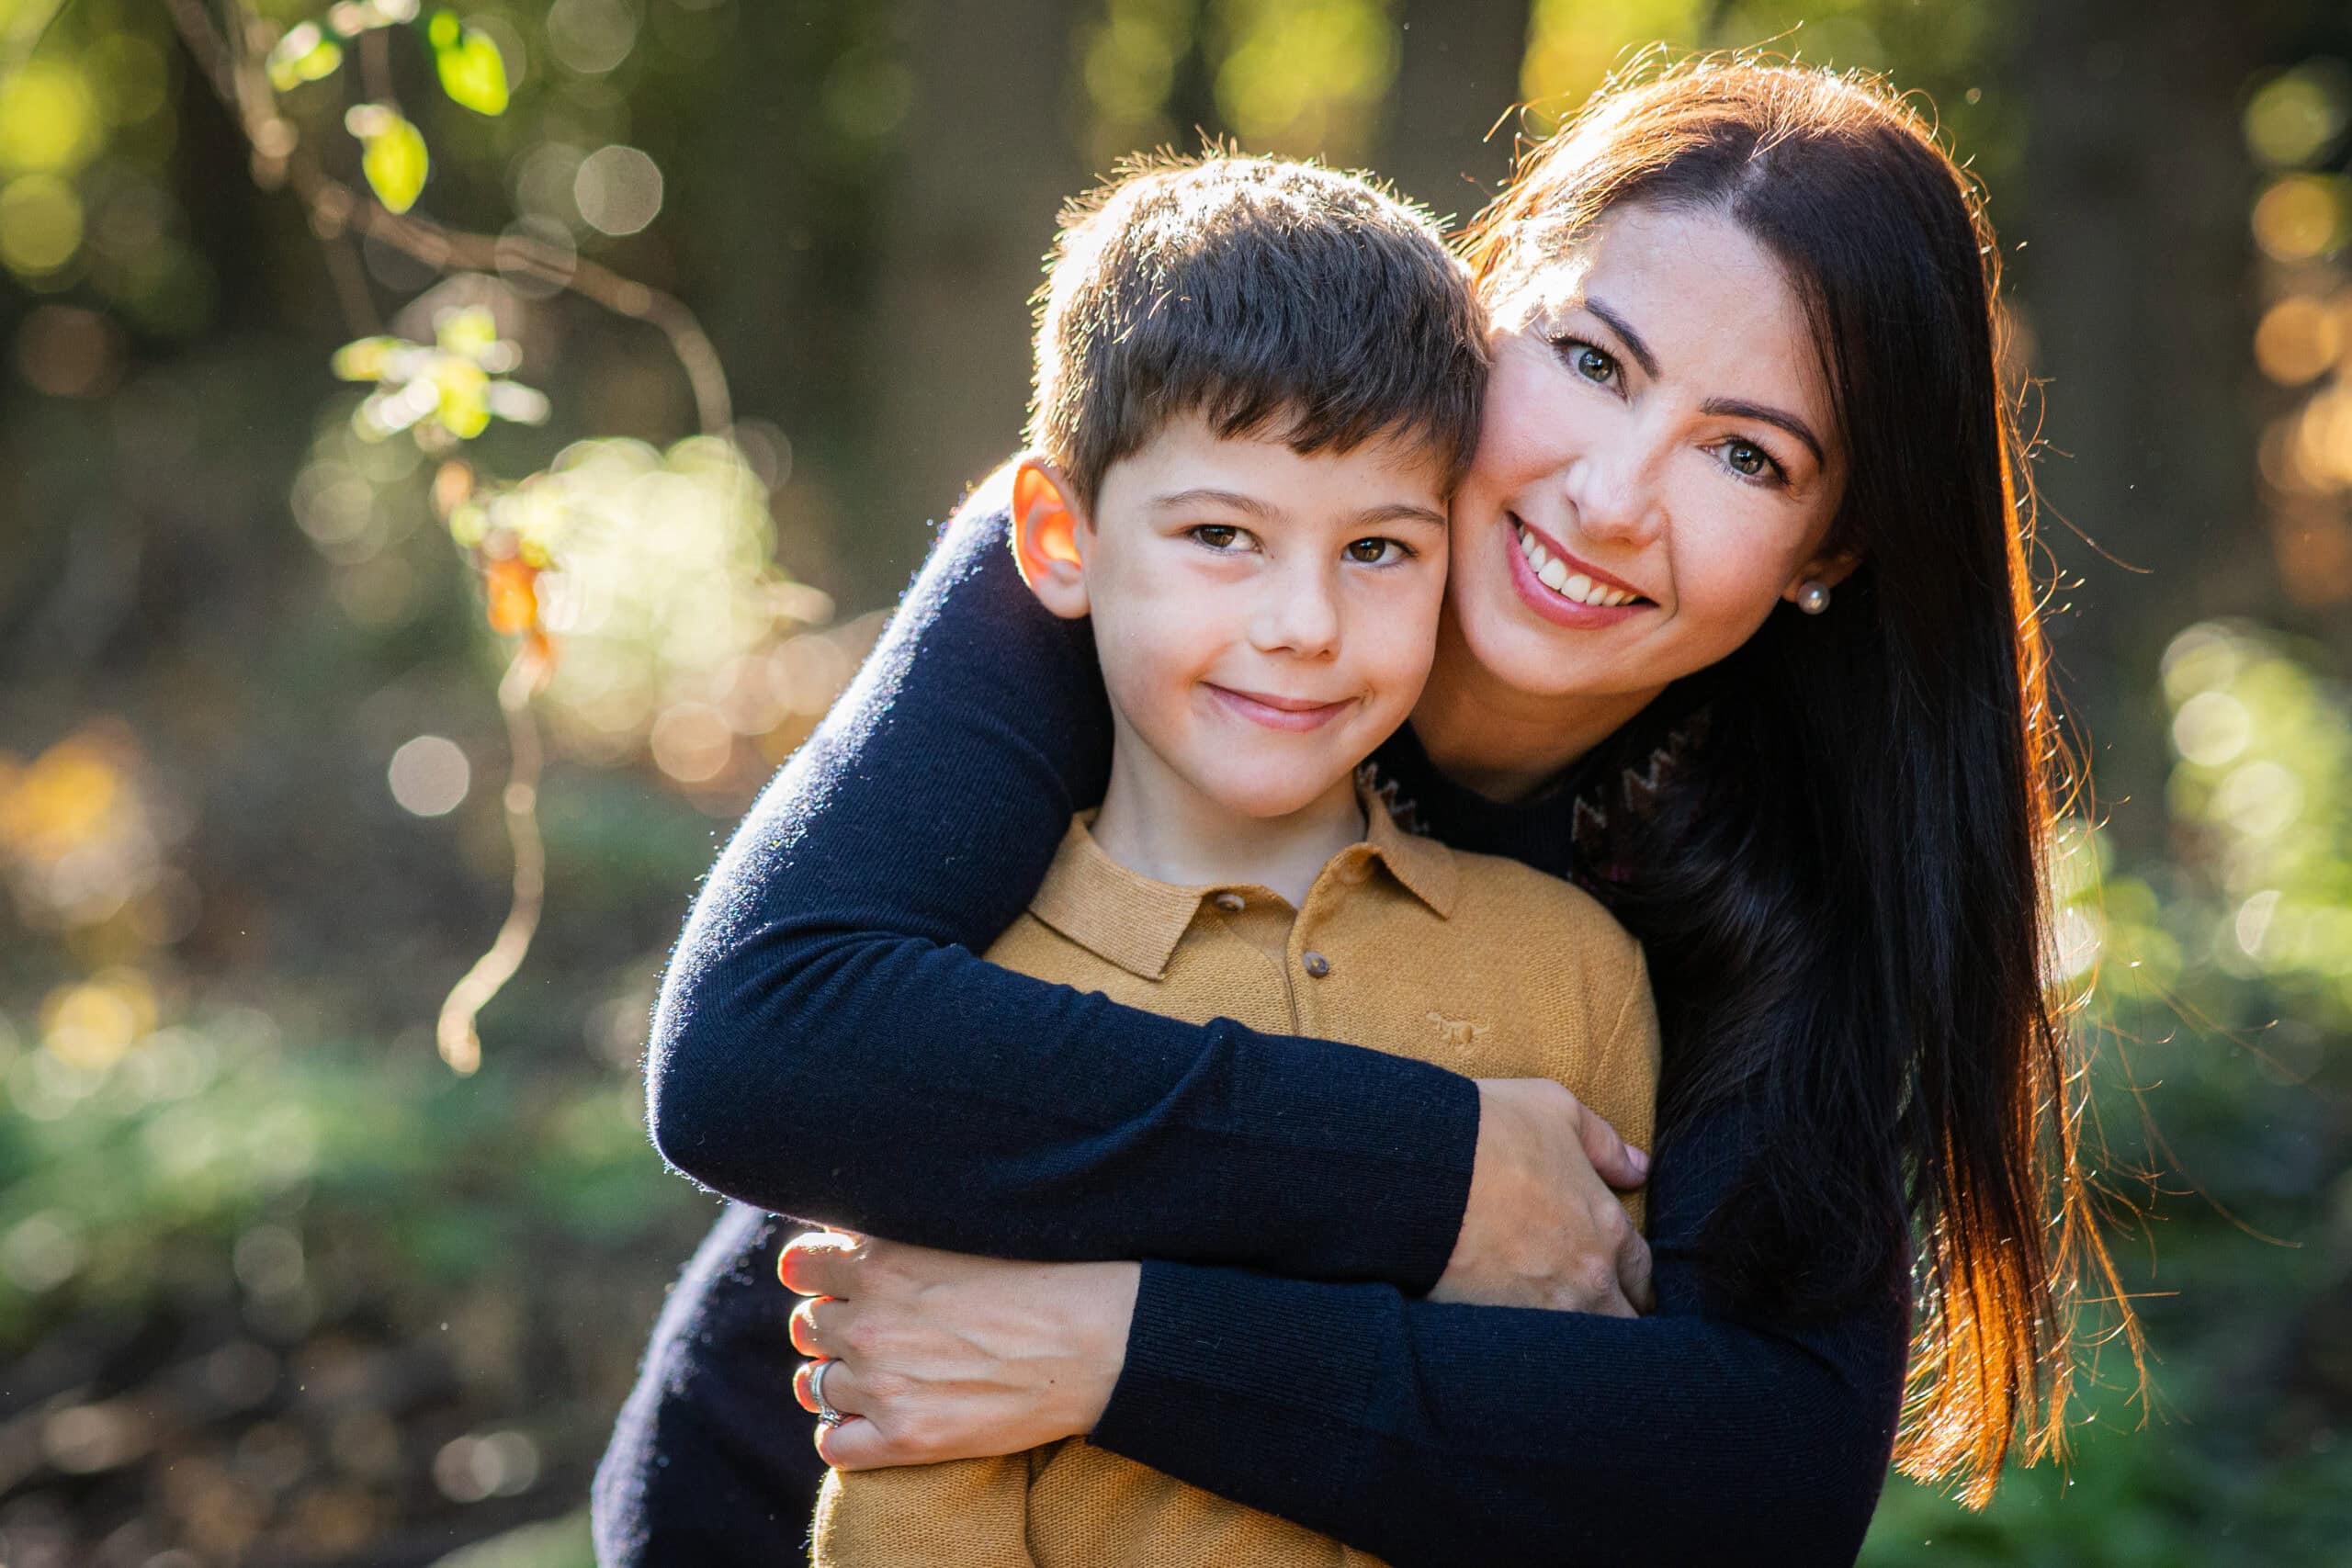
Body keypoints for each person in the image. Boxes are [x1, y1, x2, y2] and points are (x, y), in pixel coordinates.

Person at [594, 56, 2126, 1568]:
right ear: (1491, 311)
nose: (1610, 496)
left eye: (1745, 453)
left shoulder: (1788, 858)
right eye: (1593, 362)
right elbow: (760, 1044)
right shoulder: (1158, 565)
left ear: (1831, 551)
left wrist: (1123, 1343)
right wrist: (1437, 1175)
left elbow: (1760, 1472)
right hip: (793, 1480)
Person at [807, 152, 1658, 1568]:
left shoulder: (1571, 972)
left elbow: (1624, 1459)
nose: (1306, 623)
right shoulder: (967, 1037)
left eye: (1381, 548)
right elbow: (910, 1509)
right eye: (1222, 537)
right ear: (1060, 536)